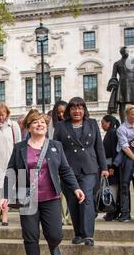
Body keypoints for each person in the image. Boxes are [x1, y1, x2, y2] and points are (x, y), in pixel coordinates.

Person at [0, 110, 85, 255]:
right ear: (29, 127)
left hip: (51, 197)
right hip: (28, 199)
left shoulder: (55, 146)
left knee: (55, 234)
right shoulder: (20, 148)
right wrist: (5, 195)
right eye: (35, 122)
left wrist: (76, 188)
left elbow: (65, 170)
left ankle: (54, 245)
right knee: (30, 235)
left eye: (43, 123)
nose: (40, 125)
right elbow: (11, 172)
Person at [53, 97, 108, 246]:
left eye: (80, 108)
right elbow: (56, 149)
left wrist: (104, 168)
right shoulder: (61, 126)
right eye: (74, 108)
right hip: (68, 170)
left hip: (89, 168)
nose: (77, 111)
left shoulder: (92, 124)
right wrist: (55, 168)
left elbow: (99, 147)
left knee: (87, 198)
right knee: (73, 201)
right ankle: (78, 233)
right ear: (69, 111)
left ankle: (88, 235)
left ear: (84, 110)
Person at [114, 105, 134, 221]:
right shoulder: (121, 129)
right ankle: (125, 213)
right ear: (127, 115)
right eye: (133, 114)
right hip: (126, 159)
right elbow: (125, 147)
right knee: (125, 186)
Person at [101, 114, 121, 221]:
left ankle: (111, 212)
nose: (102, 126)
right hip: (110, 165)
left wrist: (112, 167)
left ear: (108, 123)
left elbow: (114, 151)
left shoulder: (112, 133)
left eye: (103, 123)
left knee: (112, 189)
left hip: (111, 166)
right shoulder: (111, 133)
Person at [107, 46, 134, 123]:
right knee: (122, 104)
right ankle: (123, 122)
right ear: (121, 53)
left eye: (127, 51)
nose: (126, 53)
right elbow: (113, 76)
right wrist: (112, 84)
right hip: (122, 84)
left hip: (132, 83)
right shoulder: (117, 63)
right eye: (125, 51)